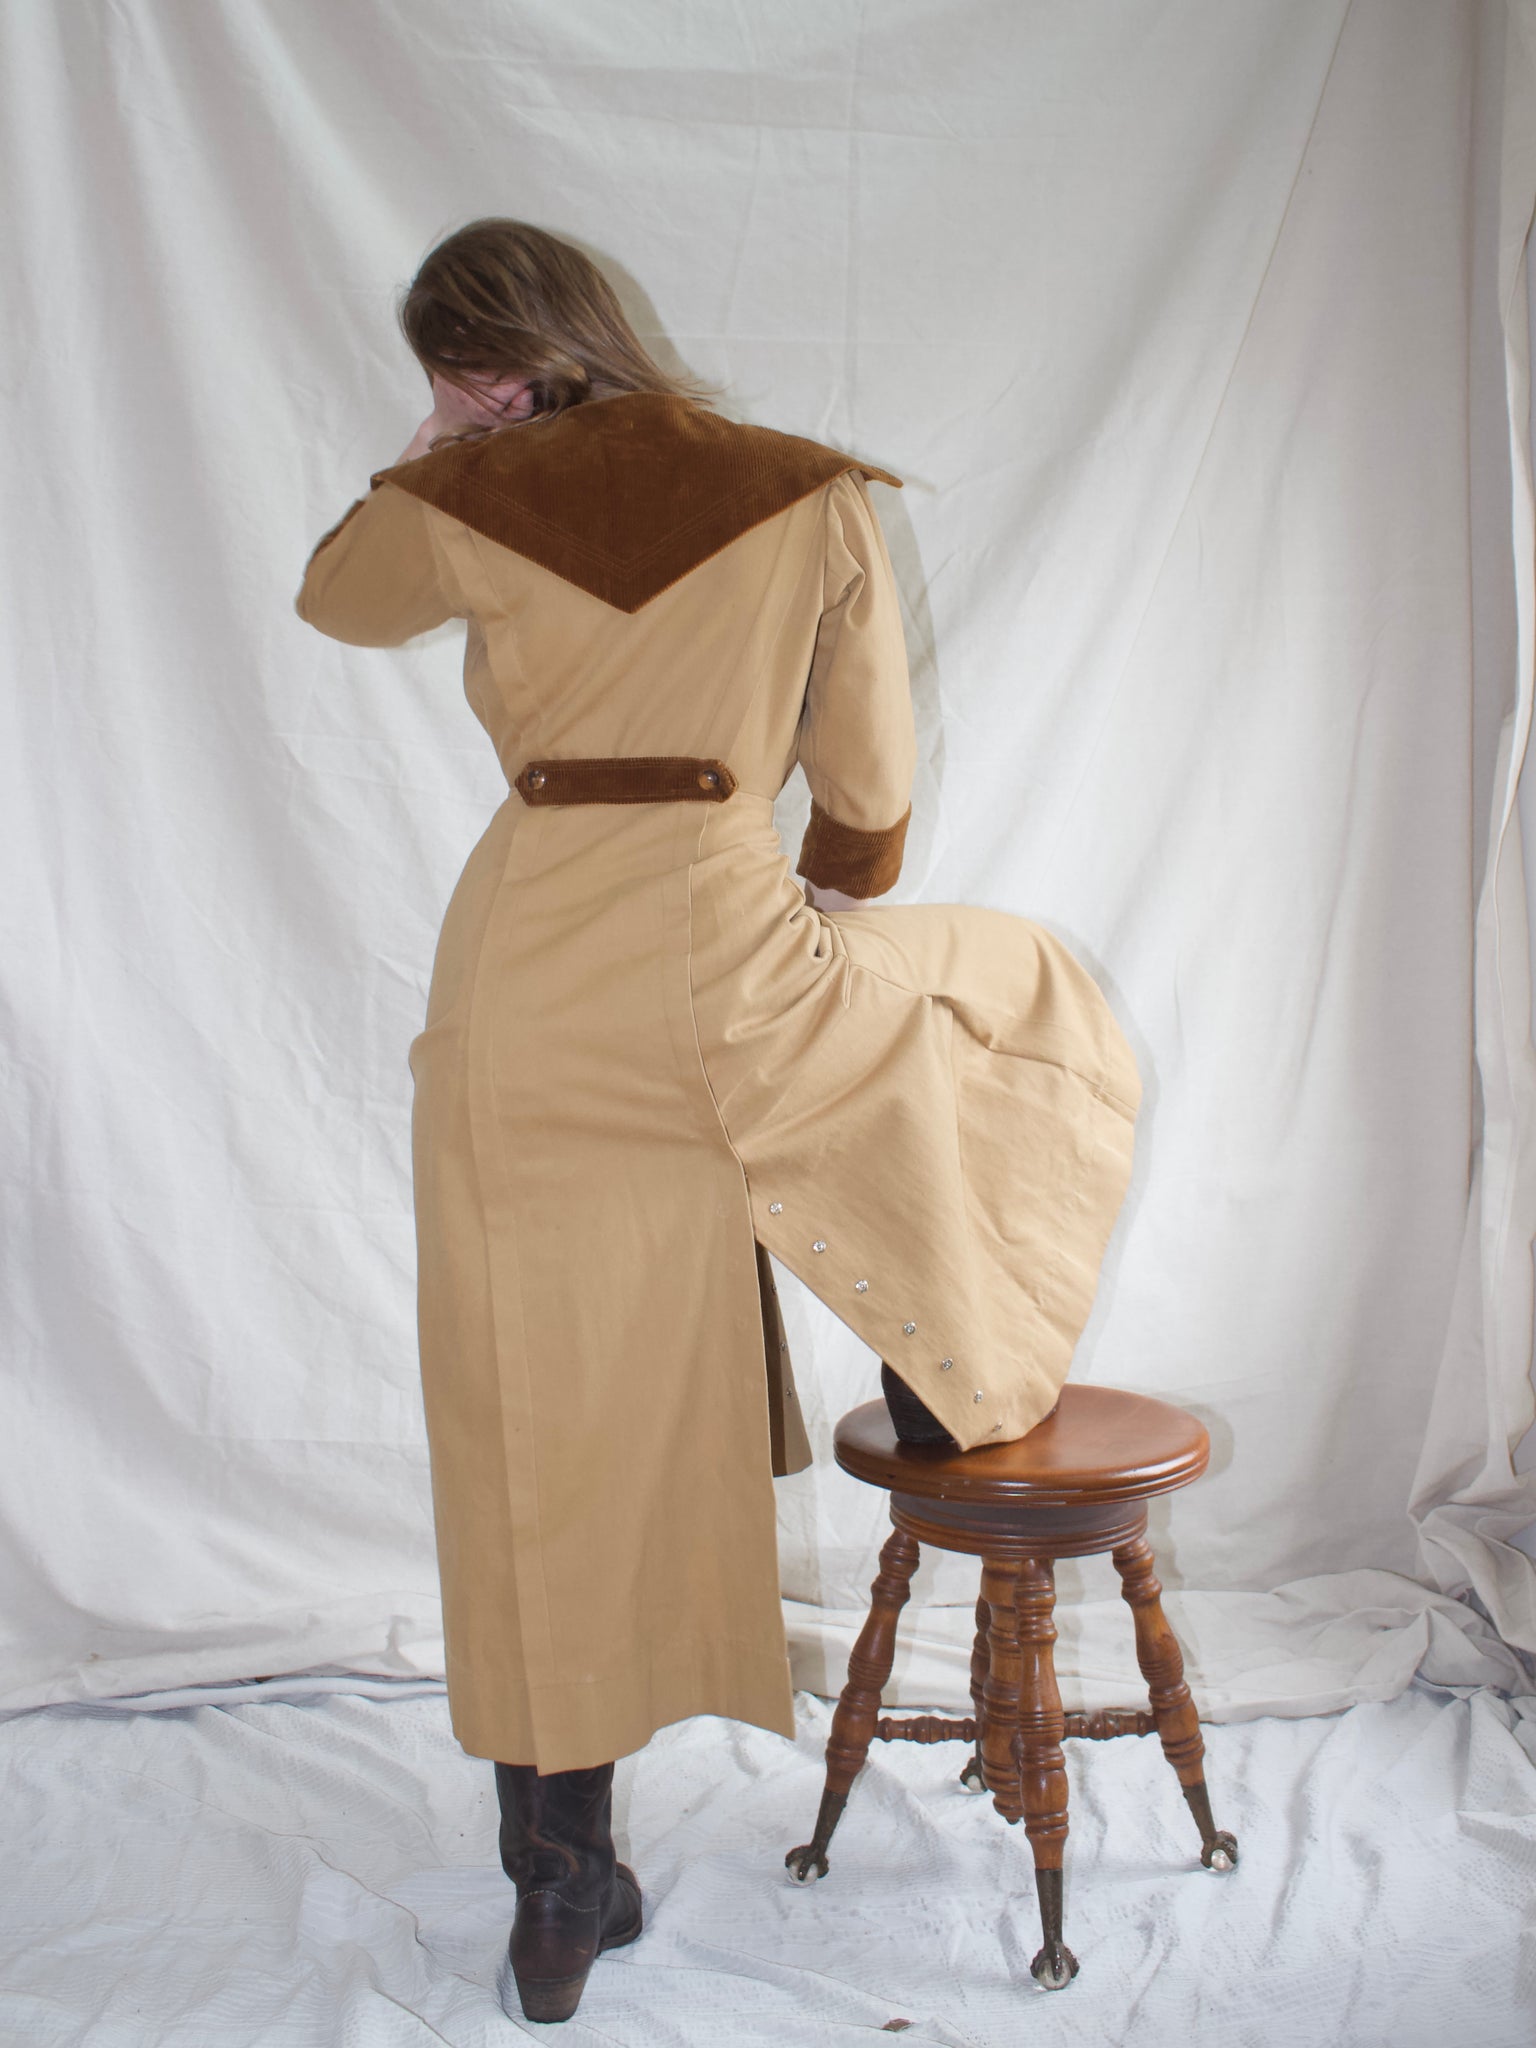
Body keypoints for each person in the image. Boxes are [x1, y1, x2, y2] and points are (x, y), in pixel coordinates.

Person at [295, 218, 1142, 2024]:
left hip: (530, 962)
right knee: (959, 1004)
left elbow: (337, 595)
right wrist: (839, 876)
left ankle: (559, 1889)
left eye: (442, 365)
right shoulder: (806, 493)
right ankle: (948, 1363)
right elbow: (872, 776)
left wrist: (447, 451)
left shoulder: (475, 492)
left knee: (531, 1415)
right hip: (718, 920)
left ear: (489, 355)